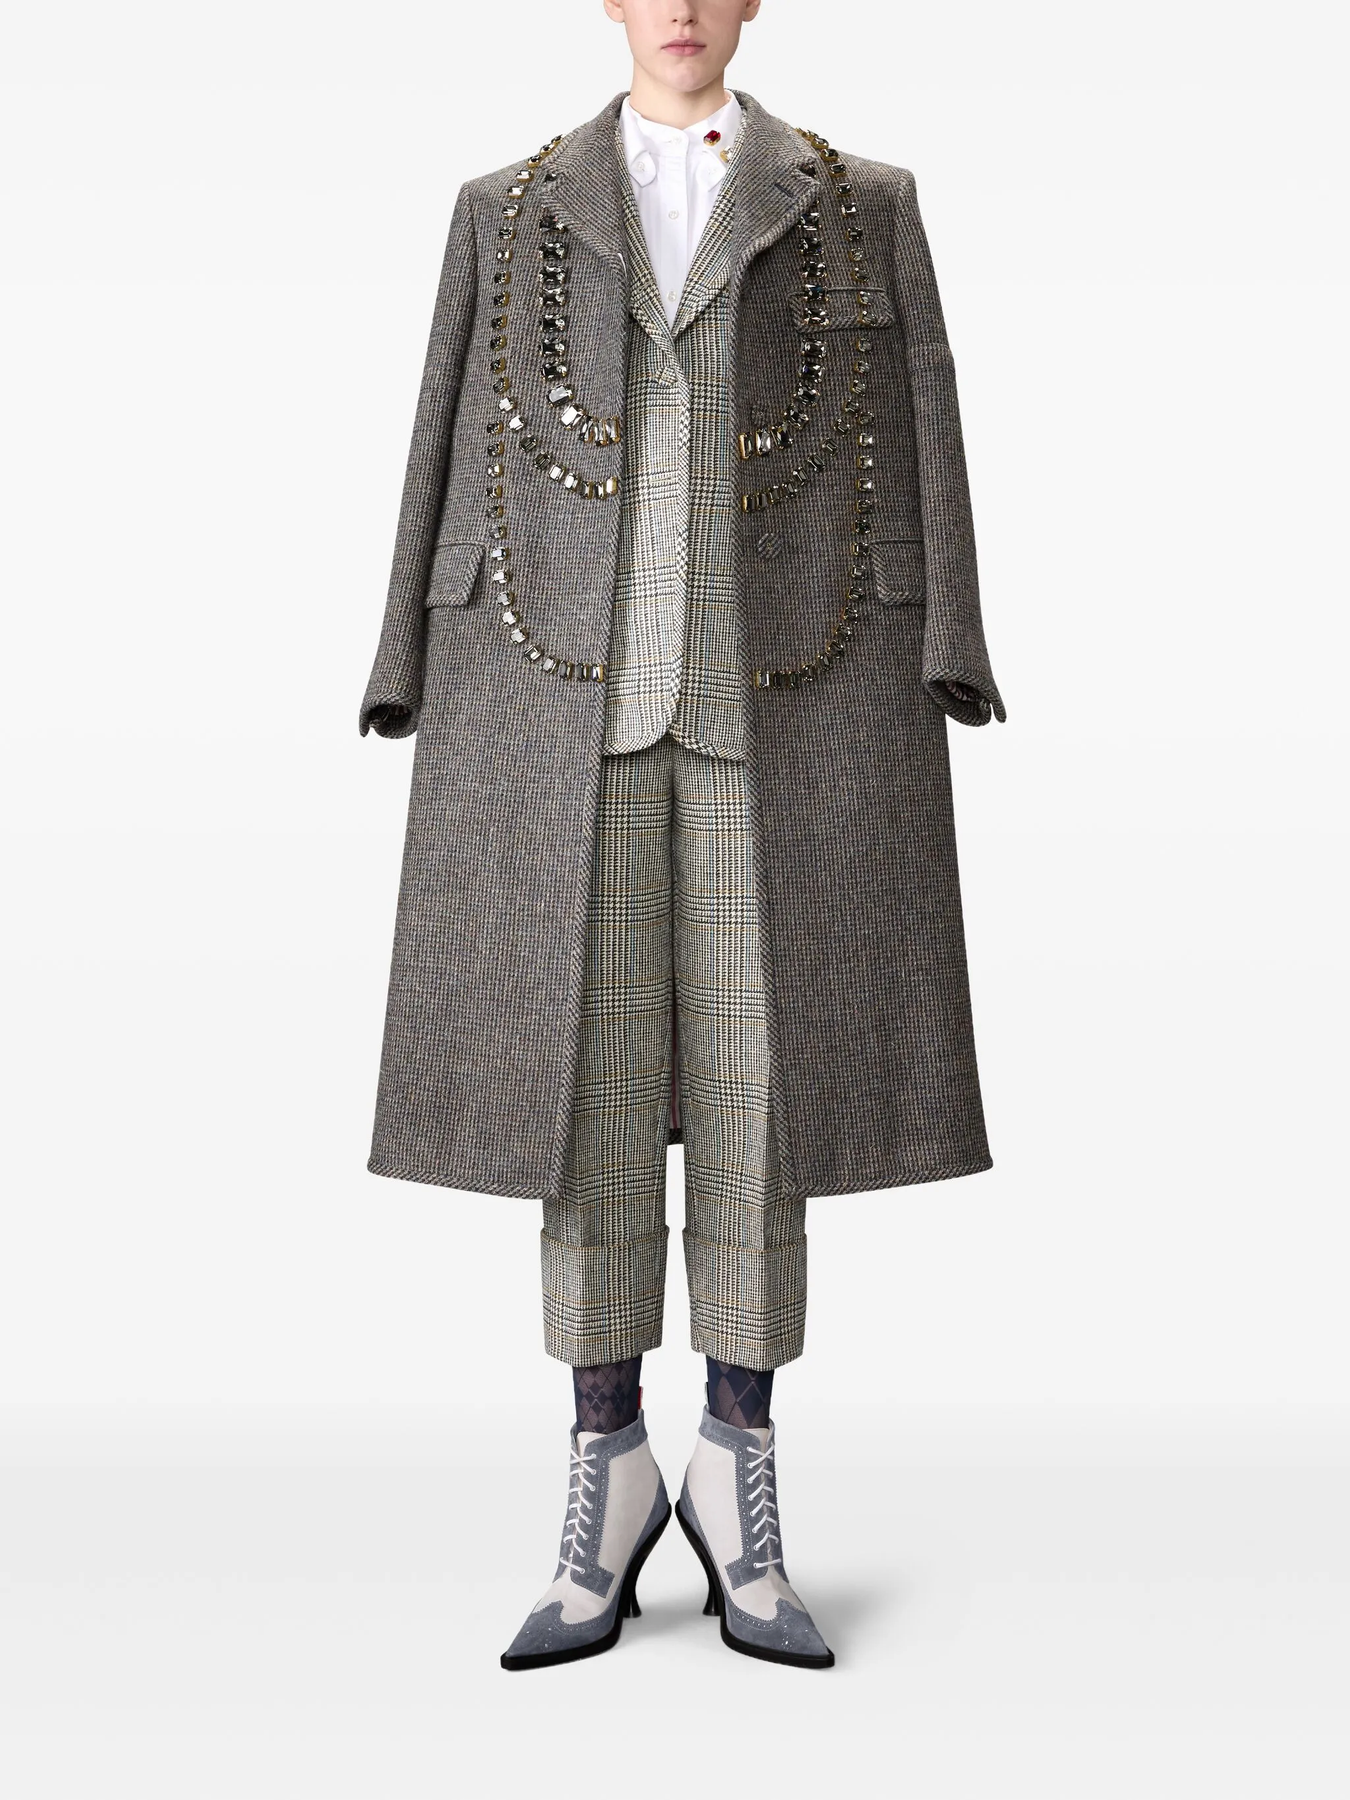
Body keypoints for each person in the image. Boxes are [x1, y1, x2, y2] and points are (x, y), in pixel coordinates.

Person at [359, 0, 1004, 1672]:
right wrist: (402, 657)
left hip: (793, 696)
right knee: (573, 1096)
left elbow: (925, 415)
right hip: (547, 697)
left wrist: (949, 639)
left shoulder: (860, 200)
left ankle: (736, 1463)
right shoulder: (502, 209)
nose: (683, 6)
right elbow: (439, 426)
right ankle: (607, 1465)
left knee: (758, 1089)